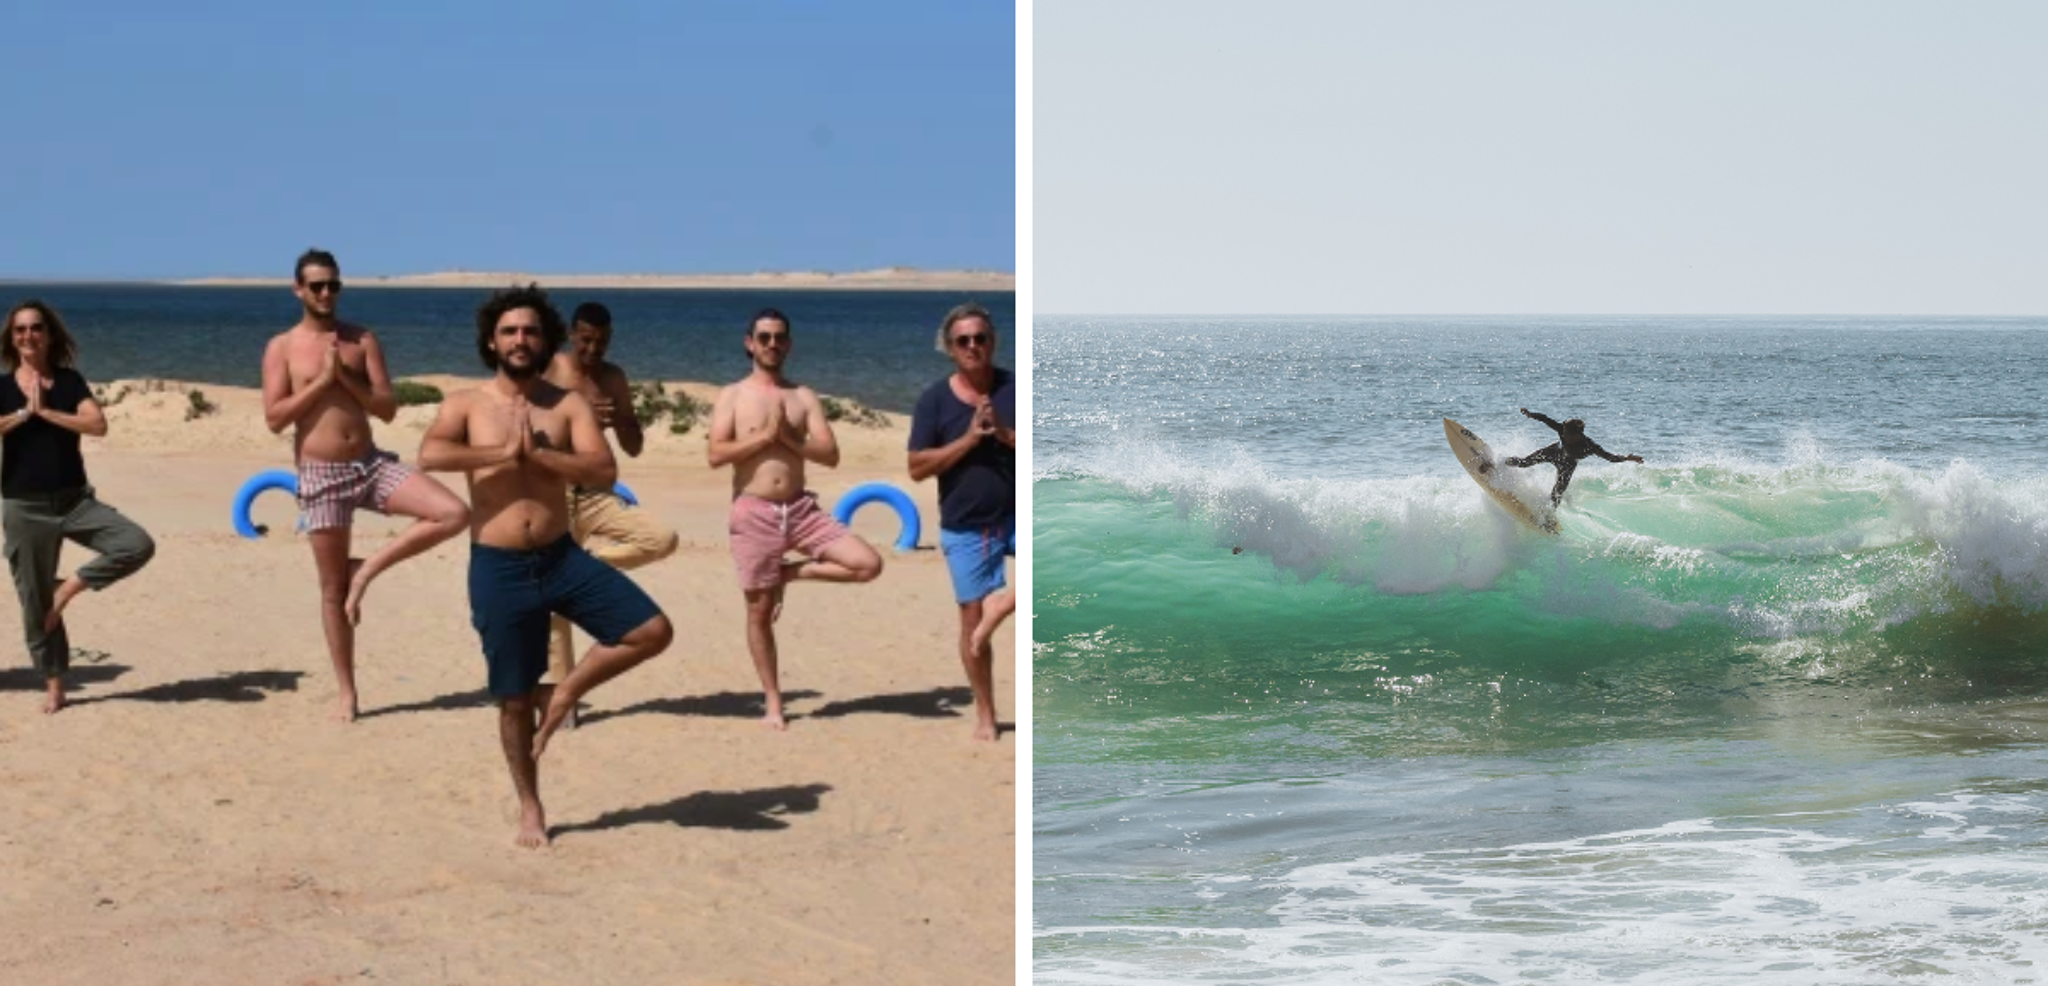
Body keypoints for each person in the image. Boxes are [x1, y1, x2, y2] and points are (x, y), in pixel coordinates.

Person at [418, 284, 674, 849]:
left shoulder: (567, 405)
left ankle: (566, 690)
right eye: (509, 331)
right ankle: (530, 806)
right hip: (499, 566)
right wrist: (501, 454)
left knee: (651, 630)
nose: (520, 340)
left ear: (545, 339)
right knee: (512, 700)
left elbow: (603, 470)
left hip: (561, 557)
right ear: (492, 339)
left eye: (530, 331)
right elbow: (431, 455)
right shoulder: (465, 403)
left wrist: (541, 456)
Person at [261, 248, 470, 721]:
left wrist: (347, 379)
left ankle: (368, 568)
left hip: (370, 464)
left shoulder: (362, 339)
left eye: (333, 284)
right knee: (332, 591)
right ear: (298, 290)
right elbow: (274, 418)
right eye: (316, 285)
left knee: (452, 513)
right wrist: (320, 384)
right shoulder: (282, 347)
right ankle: (347, 691)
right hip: (321, 475)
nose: (326, 293)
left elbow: (387, 407)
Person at [708, 308, 883, 730]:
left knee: (867, 564)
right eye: (764, 337)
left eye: (779, 338)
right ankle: (773, 701)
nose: (772, 344)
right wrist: (761, 439)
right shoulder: (733, 395)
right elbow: (716, 454)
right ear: (750, 342)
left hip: (802, 509)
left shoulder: (803, 397)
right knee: (759, 612)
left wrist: (787, 437)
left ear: (788, 344)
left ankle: (788, 575)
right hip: (754, 511)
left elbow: (830, 454)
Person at [0, 301, 156, 714]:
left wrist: (47, 411)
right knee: (34, 603)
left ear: (49, 335)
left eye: (36, 328)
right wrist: (23, 413)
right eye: (20, 330)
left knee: (135, 543)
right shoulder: (2, 387)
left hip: (74, 501)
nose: (28, 335)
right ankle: (55, 684)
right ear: (12, 339)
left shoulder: (69, 382)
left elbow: (98, 424)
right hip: (23, 507)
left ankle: (66, 587)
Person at [540, 302, 678, 718]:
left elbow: (633, 446)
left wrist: (618, 419)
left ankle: (589, 566)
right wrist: (576, 416)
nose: (593, 349)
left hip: (599, 495)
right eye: (586, 340)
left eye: (601, 342)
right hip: (556, 494)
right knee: (552, 611)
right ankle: (562, 698)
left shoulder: (614, 377)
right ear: (570, 334)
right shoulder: (554, 368)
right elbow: (531, 429)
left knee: (662, 539)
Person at [907, 303, 1014, 742]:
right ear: (950, 349)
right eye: (963, 340)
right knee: (972, 627)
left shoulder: (1018, 389)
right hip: (965, 523)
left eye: (981, 338)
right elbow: (916, 467)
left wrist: (1007, 437)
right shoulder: (934, 400)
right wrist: (970, 439)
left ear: (993, 342)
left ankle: (1002, 604)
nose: (974, 347)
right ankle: (986, 714)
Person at [1503, 408, 1645, 505]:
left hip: (1568, 465)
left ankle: (1547, 516)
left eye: (1567, 434)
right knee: (1524, 462)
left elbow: (1609, 457)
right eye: (1563, 432)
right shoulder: (1563, 429)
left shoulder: (1589, 446)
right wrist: (1530, 414)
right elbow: (1546, 419)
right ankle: (1501, 462)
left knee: (1557, 494)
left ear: (1577, 435)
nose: (1563, 435)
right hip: (1554, 452)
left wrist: (1627, 458)